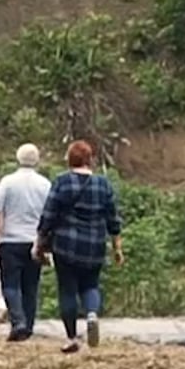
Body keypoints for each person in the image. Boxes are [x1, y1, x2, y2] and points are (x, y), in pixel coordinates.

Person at [38, 139, 124, 354]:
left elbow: (49, 214)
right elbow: (113, 218)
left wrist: (40, 241)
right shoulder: (103, 184)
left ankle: (71, 337)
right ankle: (92, 314)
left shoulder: (62, 182)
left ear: (70, 160)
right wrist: (117, 247)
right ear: (90, 160)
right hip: (95, 245)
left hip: (66, 245)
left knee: (67, 289)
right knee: (91, 285)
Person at [0, 143, 53, 341]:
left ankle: (18, 321)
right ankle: (29, 325)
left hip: (11, 239)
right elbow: (50, 213)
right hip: (35, 240)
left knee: (10, 284)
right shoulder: (45, 184)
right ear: (37, 160)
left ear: (18, 158)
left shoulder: (8, 182)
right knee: (31, 286)